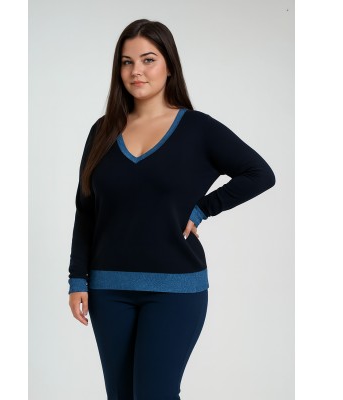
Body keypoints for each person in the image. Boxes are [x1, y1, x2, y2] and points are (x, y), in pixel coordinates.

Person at [68, 18, 276, 400]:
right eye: (127, 62)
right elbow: (86, 209)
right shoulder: (102, 131)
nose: (136, 71)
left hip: (175, 289)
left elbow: (260, 173)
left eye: (148, 60)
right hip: (108, 289)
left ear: (169, 66)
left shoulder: (198, 129)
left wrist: (202, 209)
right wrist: (77, 280)